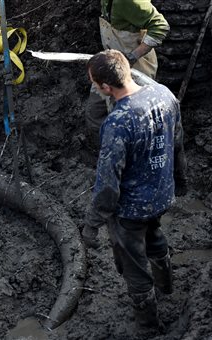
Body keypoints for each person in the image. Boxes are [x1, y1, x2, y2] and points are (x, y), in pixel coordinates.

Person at [81, 50, 188, 332]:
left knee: (135, 268)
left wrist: (91, 225)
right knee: (154, 235)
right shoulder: (164, 95)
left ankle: (149, 328)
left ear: (106, 87)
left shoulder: (118, 123)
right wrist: (182, 180)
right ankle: (167, 288)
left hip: (131, 209)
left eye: (95, 83)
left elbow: (107, 184)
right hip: (162, 195)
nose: (94, 87)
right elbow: (177, 142)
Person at [85, 0, 170, 142]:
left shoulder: (130, 2)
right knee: (95, 112)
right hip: (110, 64)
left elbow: (160, 26)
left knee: (129, 121)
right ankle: (101, 150)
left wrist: (132, 56)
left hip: (135, 70)